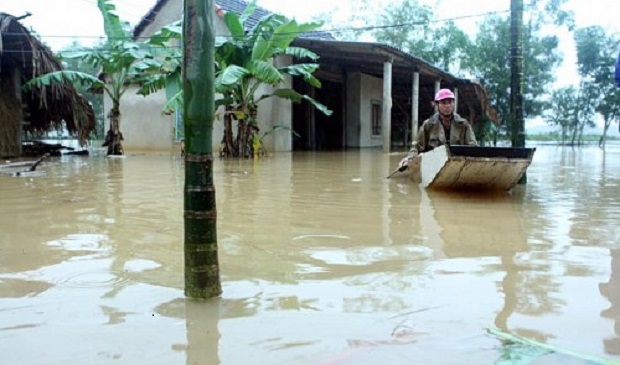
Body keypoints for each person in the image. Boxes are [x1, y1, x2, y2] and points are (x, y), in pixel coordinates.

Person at [397, 88, 477, 170]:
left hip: (458, 164)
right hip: (434, 164)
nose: (447, 106)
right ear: (437, 105)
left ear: (453, 103)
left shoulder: (463, 124)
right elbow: (417, 147)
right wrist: (409, 159)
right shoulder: (428, 125)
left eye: (450, 102)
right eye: (443, 103)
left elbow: (473, 147)